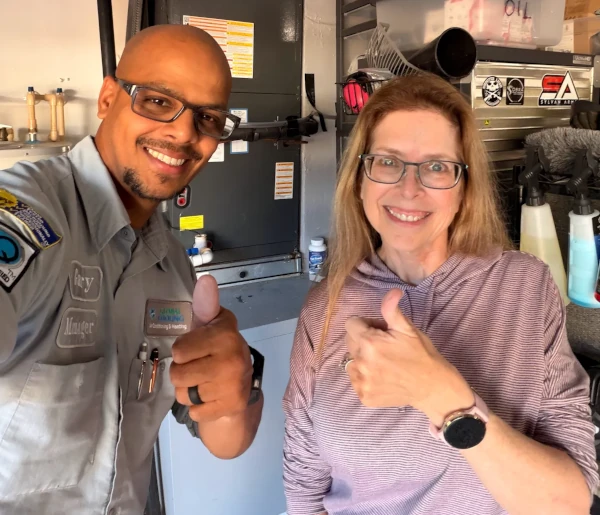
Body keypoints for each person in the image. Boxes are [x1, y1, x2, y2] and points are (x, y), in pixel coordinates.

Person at [282, 74, 598, 515]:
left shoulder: (527, 287)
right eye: (387, 162)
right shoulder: (324, 308)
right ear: (359, 180)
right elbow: (304, 491)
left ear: (464, 189)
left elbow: (572, 501)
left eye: (436, 167)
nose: (409, 189)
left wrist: (443, 398)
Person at [0, 25, 263, 514]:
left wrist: (240, 387)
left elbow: (227, 442)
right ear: (108, 98)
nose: (184, 133)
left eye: (208, 118)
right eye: (158, 101)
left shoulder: (174, 270)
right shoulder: (30, 212)